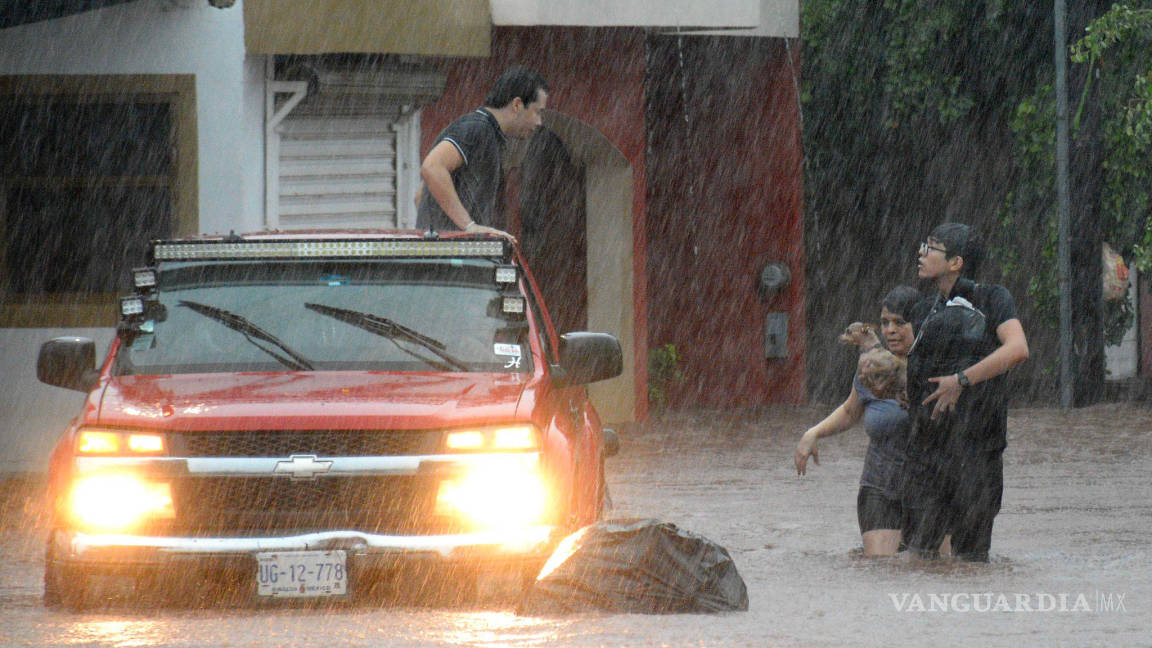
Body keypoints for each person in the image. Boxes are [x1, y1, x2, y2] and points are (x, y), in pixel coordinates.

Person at [901, 223, 1029, 562]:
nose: (921, 253)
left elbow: (1017, 349)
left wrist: (962, 380)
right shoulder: (923, 310)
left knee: (970, 561)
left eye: (931, 248)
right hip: (928, 452)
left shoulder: (993, 298)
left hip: (977, 450)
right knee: (917, 558)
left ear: (956, 262)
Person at [795, 286, 921, 556]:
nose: (890, 330)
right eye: (885, 322)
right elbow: (852, 411)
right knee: (881, 569)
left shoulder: (933, 366)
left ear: (919, 324)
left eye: (900, 323)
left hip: (927, 487)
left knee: (932, 569)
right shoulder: (870, 368)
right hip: (879, 484)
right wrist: (813, 433)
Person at [416, 65, 549, 239]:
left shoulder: (485, 132)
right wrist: (469, 227)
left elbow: (420, 196)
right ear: (517, 104)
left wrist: (437, 230)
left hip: (442, 255)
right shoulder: (478, 129)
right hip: (449, 258)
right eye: (537, 112)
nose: (539, 122)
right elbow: (432, 168)